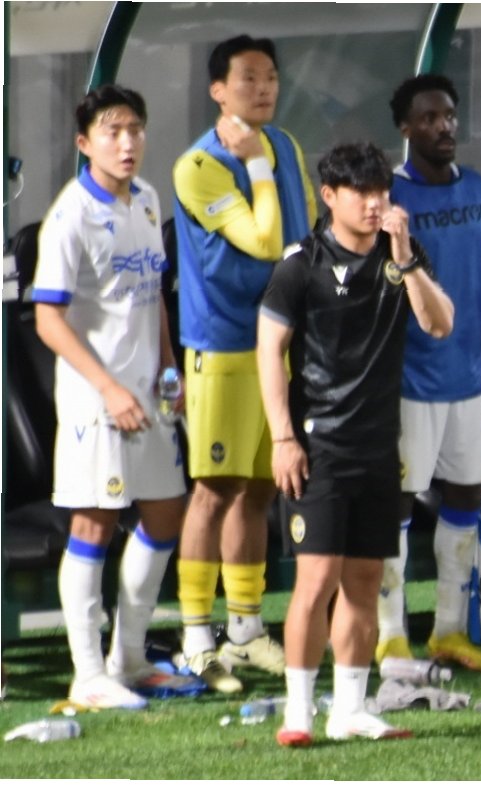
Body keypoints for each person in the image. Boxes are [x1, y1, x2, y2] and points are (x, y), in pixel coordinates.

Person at [257, 141, 455, 747]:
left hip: (378, 446)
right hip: (319, 446)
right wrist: (283, 436)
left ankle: (350, 710)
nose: (375, 204)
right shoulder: (302, 265)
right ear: (330, 196)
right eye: (362, 193)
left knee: (367, 580)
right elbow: (269, 350)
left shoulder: (402, 256)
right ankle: (298, 713)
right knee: (316, 580)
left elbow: (440, 323)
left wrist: (408, 260)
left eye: (381, 192)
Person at [33, 85, 203, 710]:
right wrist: (107, 389)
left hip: (147, 396)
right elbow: (48, 320)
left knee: (166, 511)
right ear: (85, 143)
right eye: (112, 131)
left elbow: (151, 293)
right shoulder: (70, 216)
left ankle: (129, 658)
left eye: (135, 129)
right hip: (94, 402)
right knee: (94, 523)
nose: (127, 142)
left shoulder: (148, 199)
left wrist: (168, 369)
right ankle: (88, 676)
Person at [172, 34, 317, 692]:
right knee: (214, 489)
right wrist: (255, 164)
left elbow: (303, 234)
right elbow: (263, 240)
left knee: (258, 489)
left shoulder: (285, 144)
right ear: (217, 90)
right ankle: (195, 638)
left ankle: (246, 629)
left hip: (276, 342)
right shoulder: (198, 165)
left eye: (271, 78)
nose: (264, 89)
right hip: (223, 346)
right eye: (249, 78)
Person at [374, 73, 481, 672]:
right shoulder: (391, 199)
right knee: (398, 503)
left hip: (468, 376)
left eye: (449, 115)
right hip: (411, 379)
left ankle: (448, 630)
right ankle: (389, 634)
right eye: (429, 118)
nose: (443, 126)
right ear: (406, 128)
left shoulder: (476, 187)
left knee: (469, 492)